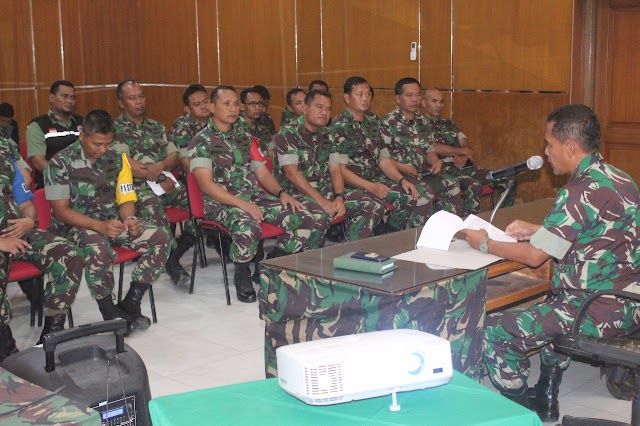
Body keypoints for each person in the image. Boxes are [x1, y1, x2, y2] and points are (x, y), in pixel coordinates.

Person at [464, 104, 640, 422]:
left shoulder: (577, 191)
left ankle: (520, 409)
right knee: (552, 306)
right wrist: (538, 231)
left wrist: (484, 243)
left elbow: (534, 257)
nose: (546, 152)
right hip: (629, 305)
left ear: (570, 146)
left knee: (493, 330)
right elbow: (600, 232)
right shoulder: (621, 178)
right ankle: (547, 395)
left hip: (592, 311)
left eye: (550, 143)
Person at [189, 85, 329, 303]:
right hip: (221, 203)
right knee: (248, 226)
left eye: (236, 103)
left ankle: (272, 264)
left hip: (254, 198)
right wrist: (241, 204)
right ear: (211, 106)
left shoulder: (245, 137)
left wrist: (281, 193)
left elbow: (262, 172)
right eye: (226, 104)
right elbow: (206, 185)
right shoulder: (201, 141)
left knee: (304, 215)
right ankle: (242, 273)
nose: (233, 109)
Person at [45, 110, 171, 334]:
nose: (102, 150)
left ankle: (131, 301)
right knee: (97, 248)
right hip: (74, 227)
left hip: (111, 222)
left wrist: (129, 218)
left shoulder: (116, 158)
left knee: (160, 237)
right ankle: (108, 310)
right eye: (97, 144)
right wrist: (99, 227)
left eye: (107, 144)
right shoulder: (59, 163)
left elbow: (125, 197)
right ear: (82, 134)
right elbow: (62, 212)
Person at [0, 136, 83, 361]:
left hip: (18, 231)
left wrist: (28, 221)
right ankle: (7, 351)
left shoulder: (5, 162)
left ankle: (51, 332)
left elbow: (26, 204)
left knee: (69, 254)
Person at [112, 80, 195, 287]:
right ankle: (172, 264)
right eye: (132, 98)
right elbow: (126, 164)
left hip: (165, 179)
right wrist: (157, 174)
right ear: (121, 103)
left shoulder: (156, 126)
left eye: (141, 96)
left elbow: (174, 155)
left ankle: (174, 253)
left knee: (199, 204)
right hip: (137, 187)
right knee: (152, 208)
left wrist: (162, 165)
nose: (139, 102)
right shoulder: (114, 129)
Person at [274, 89, 386, 241]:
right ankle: (291, 256)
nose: (324, 113)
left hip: (324, 190)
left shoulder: (328, 134)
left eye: (328, 109)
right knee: (322, 215)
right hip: (296, 193)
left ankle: (351, 250)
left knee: (371, 204)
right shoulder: (288, 133)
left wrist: (339, 196)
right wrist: (322, 201)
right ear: (305, 109)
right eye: (319, 107)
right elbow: (291, 173)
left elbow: (335, 168)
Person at [331, 76, 433, 235]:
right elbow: (341, 170)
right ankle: (353, 245)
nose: (365, 98)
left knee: (410, 194)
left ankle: (387, 235)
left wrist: (402, 179)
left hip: (375, 178)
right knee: (374, 204)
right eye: (359, 95)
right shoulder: (340, 126)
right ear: (347, 98)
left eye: (368, 94)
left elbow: (384, 159)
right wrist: (371, 187)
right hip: (353, 184)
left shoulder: (372, 122)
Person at [422, 87, 514, 214]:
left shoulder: (448, 123)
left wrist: (465, 156)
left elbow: (465, 144)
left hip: (466, 168)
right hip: (445, 172)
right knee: (474, 187)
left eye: (441, 101)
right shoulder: (420, 125)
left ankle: (502, 219)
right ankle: (468, 226)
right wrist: (461, 151)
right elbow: (434, 147)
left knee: (509, 178)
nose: (439, 105)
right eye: (434, 101)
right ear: (424, 103)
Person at [381, 78, 465, 216]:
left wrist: (435, 161)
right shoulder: (388, 123)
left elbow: (429, 149)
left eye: (418, 95)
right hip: (398, 176)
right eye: (409, 95)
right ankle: (417, 233)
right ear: (398, 98)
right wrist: (401, 167)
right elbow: (382, 158)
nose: (414, 99)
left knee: (452, 185)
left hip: (423, 173)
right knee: (423, 194)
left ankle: (448, 232)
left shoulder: (423, 122)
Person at [26, 80, 83, 189]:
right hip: (52, 182)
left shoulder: (82, 122)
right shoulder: (38, 126)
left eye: (73, 98)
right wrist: (68, 177)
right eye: (65, 96)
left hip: (84, 180)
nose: (69, 101)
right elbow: (39, 163)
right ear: (52, 98)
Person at [171, 84, 210, 177]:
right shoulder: (181, 126)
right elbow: (186, 163)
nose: (204, 106)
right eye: (197, 104)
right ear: (187, 109)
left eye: (206, 101)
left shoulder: (217, 120)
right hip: (195, 177)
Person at [237, 87, 274, 155]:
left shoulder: (263, 129)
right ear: (242, 106)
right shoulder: (234, 129)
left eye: (260, 103)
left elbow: (271, 154)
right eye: (252, 104)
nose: (257, 108)